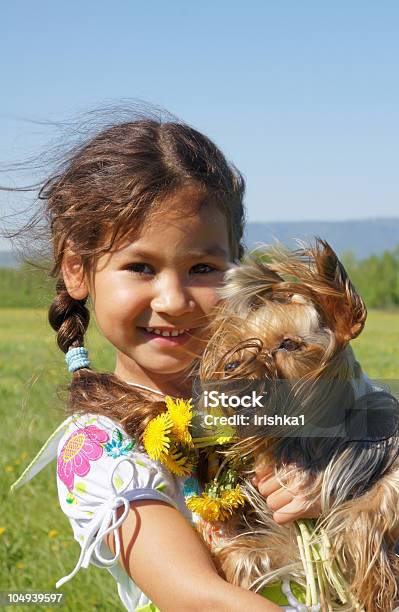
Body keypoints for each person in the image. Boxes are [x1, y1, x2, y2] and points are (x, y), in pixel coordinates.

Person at [10, 111, 281, 611]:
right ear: (77, 269)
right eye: (140, 267)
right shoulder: (96, 447)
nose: (174, 300)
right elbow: (197, 598)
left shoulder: (285, 386)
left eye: (203, 268)